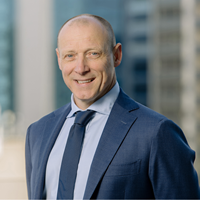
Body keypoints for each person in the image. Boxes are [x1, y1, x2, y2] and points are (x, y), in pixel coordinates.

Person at [25, 14, 200, 199]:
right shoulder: (38, 133)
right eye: (70, 56)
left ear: (116, 55)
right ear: (59, 59)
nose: (81, 68)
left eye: (93, 53)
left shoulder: (157, 133)